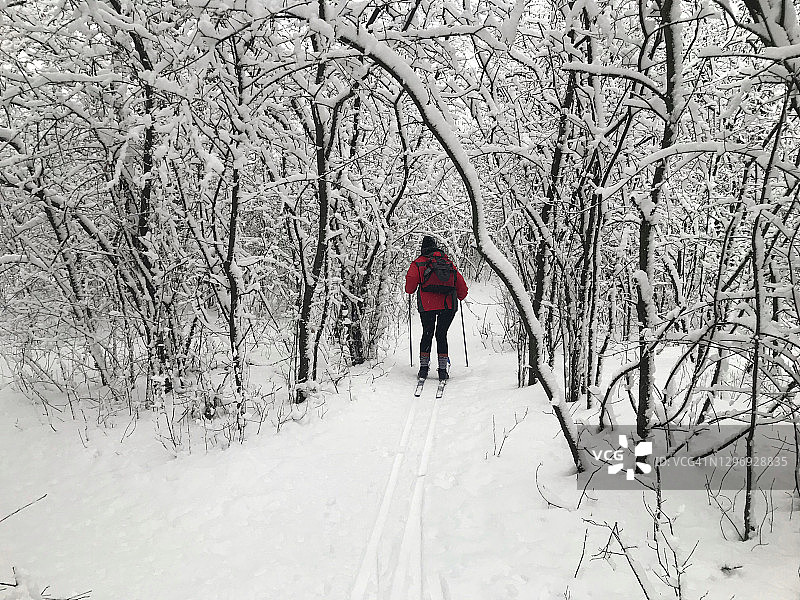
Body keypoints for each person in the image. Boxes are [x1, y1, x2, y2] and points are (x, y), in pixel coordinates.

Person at [405, 235, 468, 380]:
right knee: (441, 334)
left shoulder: (418, 263)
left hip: (427, 306)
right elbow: (462, 288)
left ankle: (423, 369)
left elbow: (409, 288)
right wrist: (461, 296)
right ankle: (442, 370)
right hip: (448, 305)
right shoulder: (447, 262)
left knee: (427, 333)